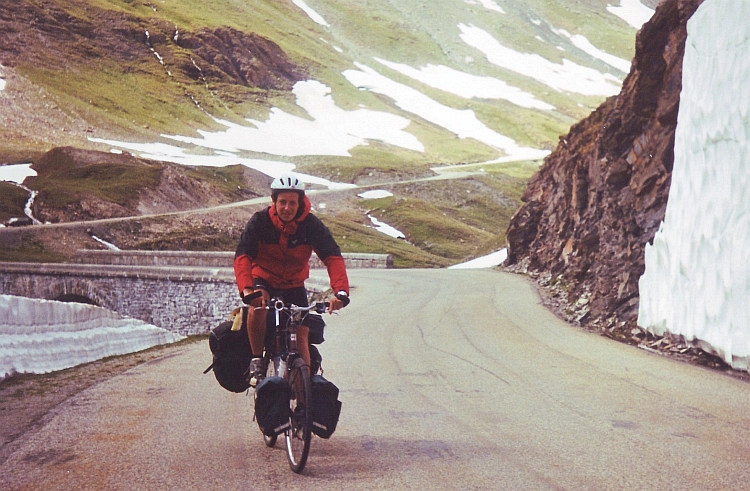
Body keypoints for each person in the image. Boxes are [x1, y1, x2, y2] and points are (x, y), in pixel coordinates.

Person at [234, 173, 350, 386]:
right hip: (264, 278)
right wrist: (247, 291)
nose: (287, 208)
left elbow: (332, 257)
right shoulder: (260, 222)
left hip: (294, 285)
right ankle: (257, 359)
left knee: (302, 338)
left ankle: (305, 398)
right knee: (258, 307)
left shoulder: (311, 225)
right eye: (282, 202)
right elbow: (243, 257)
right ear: (274, 201)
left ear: (300, 203)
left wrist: (341, 292)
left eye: (292, 203)